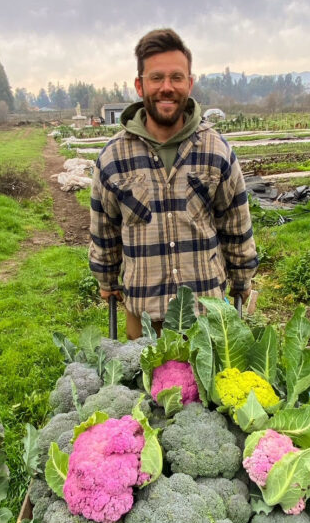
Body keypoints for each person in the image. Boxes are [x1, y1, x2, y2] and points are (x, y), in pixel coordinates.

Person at [88, 28, 258, 339]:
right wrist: (106, 279)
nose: (167, 87)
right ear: (140, 85)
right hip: (144, 317)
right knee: (143, 386)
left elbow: (236, 223)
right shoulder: (113, 157)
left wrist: (243, 278)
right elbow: (105, 231)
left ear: (189, 83)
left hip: (206, 315)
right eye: (157, 78)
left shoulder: (216, 150)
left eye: (176, 78)